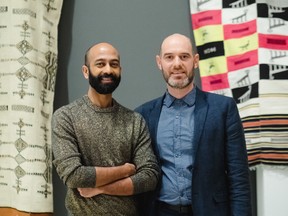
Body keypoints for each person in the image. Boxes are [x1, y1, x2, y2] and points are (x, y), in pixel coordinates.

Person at [135, 33, 252, 216]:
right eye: (169, 57)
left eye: (184, 56)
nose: (177, 64)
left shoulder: (223, 109)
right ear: (159, 63)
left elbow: (239, 177)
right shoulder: (143, 114)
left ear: (195, 61)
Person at [52, 42, 160, 216]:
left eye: (114, 64)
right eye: (100, 64)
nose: (108, 70)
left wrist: (99, 188)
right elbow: (74, 175)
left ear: (120, 71)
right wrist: (125, 170)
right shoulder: (66, 117)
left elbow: (149, 177)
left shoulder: (134, 121)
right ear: (86, 71)